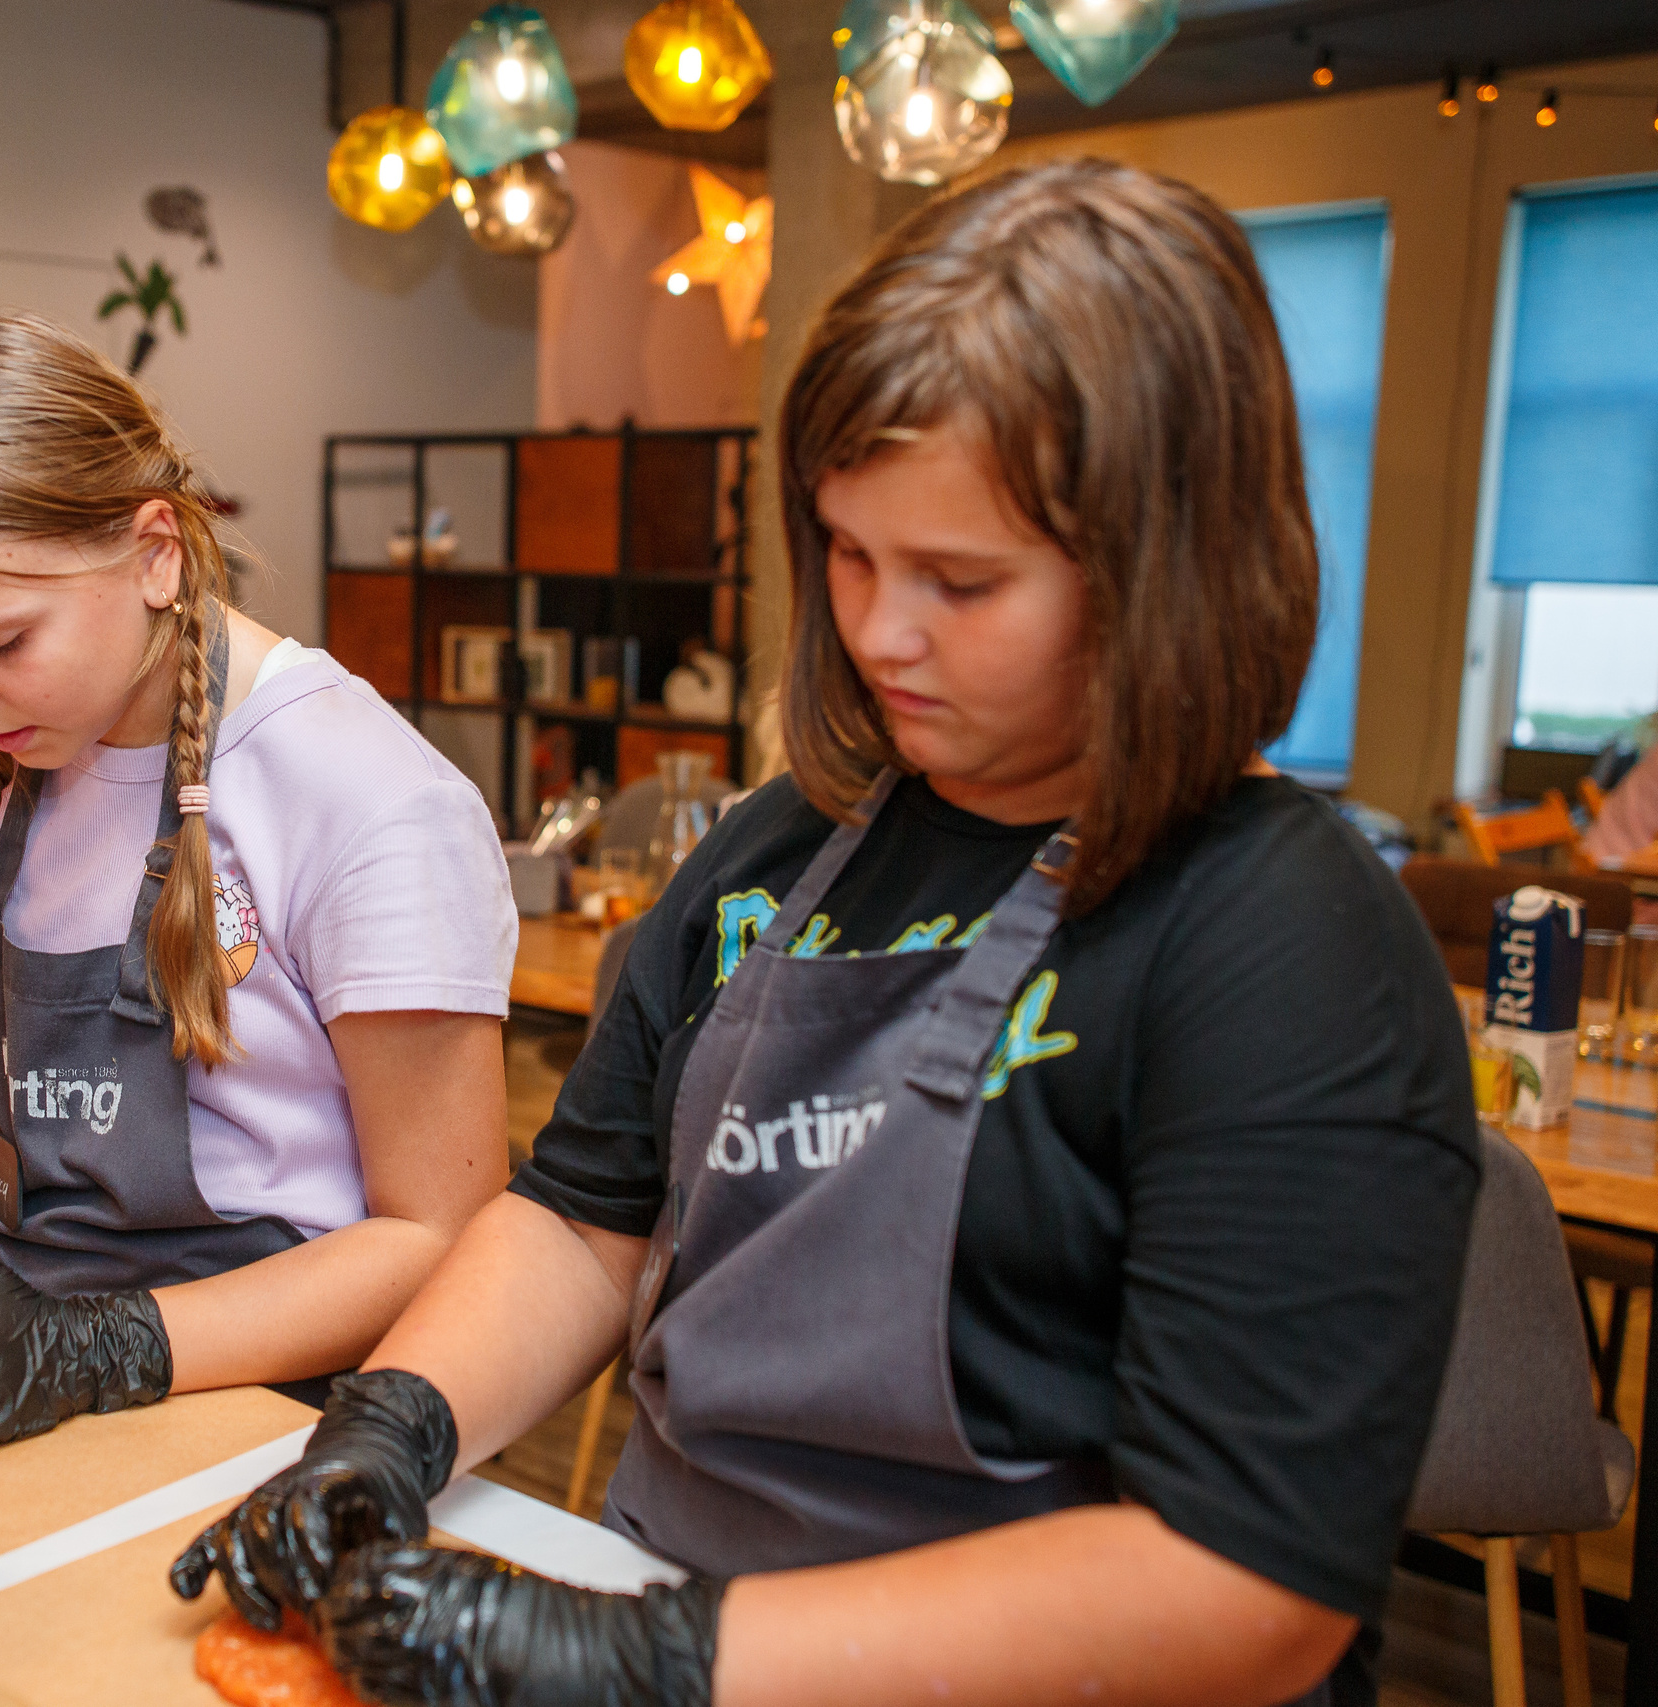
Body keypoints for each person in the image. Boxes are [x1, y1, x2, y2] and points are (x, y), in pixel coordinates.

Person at [168, 161, 1480, 1707]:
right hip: (676, 1600)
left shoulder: (1282, 937)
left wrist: (653, 1657)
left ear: (1164, 569)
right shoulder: (782, 847)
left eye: (961, 580)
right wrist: (392, 1423)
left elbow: (1241, 1585)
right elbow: (586, 1220)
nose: (877, 631)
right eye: (849, 553)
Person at [0, 313, 517, 1442]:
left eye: (1, 639)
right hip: (22, 1353)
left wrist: (96, 1350)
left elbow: (442, 1238)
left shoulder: (365, 796)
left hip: (267, 1399)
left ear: (156, 550)